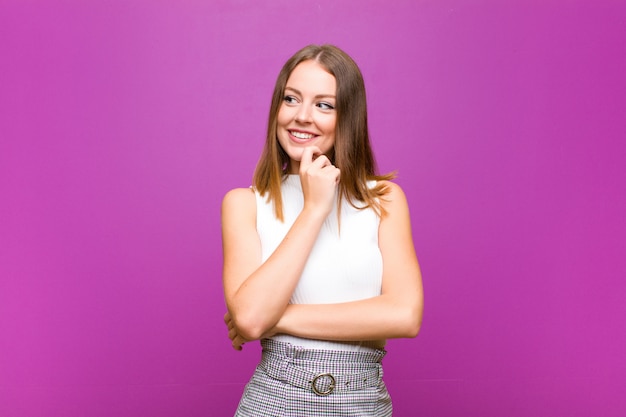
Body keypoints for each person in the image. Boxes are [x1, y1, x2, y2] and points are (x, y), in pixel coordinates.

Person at [221, 44, 424, 416]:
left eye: (323, 105)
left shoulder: (385, 199)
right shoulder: (244, 203)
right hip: (273, 398)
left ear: (349, 116)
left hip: (362, 400)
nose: (302, 117)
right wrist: (314, 209)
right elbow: (250, 319)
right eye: (291, 99)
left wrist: (274, 319)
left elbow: (405, 315)